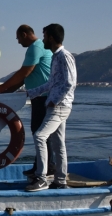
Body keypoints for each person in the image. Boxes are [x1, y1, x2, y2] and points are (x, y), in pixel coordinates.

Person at [0, 24, 53, 177]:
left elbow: (24, 72)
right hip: (39, 96)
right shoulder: (37, 47)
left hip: (43, 96)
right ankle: (40, 165)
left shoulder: (35, 47)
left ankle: (47, 168)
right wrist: (7, 92)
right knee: (40, 132)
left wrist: (1, 88)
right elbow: (26, 77)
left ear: (25, 34)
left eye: (18, 38)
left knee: (40, 133)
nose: (18, 42)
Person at [25, 24, 77, 192]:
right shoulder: (56, 56)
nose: (43, 40)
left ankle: (41, 178)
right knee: (57, 143)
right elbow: (51, 83)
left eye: (45, 36)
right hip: (56, 105)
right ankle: (60, 180)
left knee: (40, 136)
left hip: (59, 106)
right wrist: (31, 93)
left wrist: (54, 100)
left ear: (52, 38)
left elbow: (70, 82)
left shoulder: (64, 56)